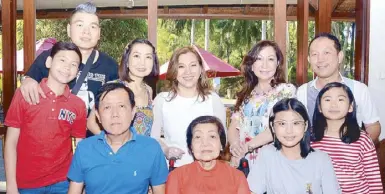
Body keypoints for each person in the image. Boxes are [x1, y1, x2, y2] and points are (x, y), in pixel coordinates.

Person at [4, 42, 87, 194]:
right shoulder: (24, 95)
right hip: (27, 184)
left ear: (77, 71)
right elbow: (10, 142)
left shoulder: (78, 105)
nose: (67, 67)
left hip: (63, 182)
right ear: (49, 62)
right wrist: (11, 185)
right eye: (62, 60)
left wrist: (78, 185)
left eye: (74, 64)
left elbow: (80, 149)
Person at [21, 2, 118, 120]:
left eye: (93, 26)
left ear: (99, 33)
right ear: (69, 29)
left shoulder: (111, 66)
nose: (86, 31)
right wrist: (27, 80)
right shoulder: (51, 56)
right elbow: (29, 80)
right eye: (80, 25)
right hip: (56, 134)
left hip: (94, 136)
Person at [67, 82, 168, 194]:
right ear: (98, 115)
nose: (115, 114)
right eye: (107, 107)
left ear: (133, 112)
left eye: (121, 106)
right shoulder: (84, 148)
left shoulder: (151, 148)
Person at [297, 33, 381, 142]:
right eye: (314, 54)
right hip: (312, 156)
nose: (320, 59)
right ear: (309, 60)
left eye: (326, 53)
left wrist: (355, 148)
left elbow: (373, 126)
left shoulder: (359, 89)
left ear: (339, 56)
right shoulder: (302, 92)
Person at [151, 46, 226, 167]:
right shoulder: (162, 100)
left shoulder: (213, 100)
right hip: (174, 169)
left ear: (201, 69)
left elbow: (223, 139)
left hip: (207, 170)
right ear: (174, 71)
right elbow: (153, 138)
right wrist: (166, 150)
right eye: (181, 67)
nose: (188, 72)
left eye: (193, 65)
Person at [247, 98, 341, 194]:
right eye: (282, 123)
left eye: (296, 123)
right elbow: (253, 191)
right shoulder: (267, 154)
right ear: (272, 127)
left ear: (305, 126)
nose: (289, 131)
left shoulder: (321, 160)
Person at [228, 40, 296, 166]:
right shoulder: (246, 95)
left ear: (278, 63)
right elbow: (234, 125)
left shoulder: (286, 91)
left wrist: (247, 146)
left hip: (275, 163)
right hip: (245, 162)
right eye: (259, 59)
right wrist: (235, 147)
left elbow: (279, 126)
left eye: (270, 59)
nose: (264, 65)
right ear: (252, 65)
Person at [311, 82, 383, 193]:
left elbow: (374, 181)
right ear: (319, 107)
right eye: (327, 100)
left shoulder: (362, 139)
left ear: (350, 107)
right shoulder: (311, 138)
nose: (333, 105)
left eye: (340, 99)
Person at [87, 39, 159, 136]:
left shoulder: (148, 90)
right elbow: (91, 123)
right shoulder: (112, 87)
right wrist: (111, 144)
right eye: (136, 56)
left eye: (148, 57)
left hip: (143, 150)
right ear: (127, 61)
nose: (142, 63)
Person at [166, 116, 250, 194]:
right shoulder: (176, 177)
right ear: (191, 146)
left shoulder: (237, 177)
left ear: (221, 144)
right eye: (198, 137)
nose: (205, 143)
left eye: (212, 136)